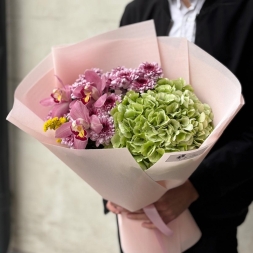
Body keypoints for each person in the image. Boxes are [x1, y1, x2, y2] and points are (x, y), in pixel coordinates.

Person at [104, 0, 253, 252]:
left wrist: (197, 186)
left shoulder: (246, 12)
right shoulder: (138, 11)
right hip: (137, 213)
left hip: (212, 213)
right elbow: (112, 106)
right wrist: (113, 185)